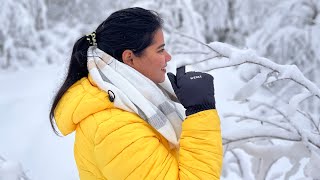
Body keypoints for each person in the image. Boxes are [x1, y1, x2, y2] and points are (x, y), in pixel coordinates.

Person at [49, 7, 222, 180]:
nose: (168, 57)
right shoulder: (116, 129)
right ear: (130, 58)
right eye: (160, 50)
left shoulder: (127, 102)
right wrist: (200, 111)